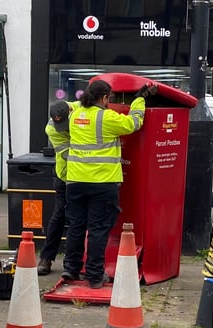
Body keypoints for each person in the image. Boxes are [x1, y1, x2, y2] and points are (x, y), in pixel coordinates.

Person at [61, 80, 156, 288]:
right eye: (110, 98)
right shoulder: (108, 117)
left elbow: (69, 111)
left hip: (75, 181)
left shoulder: (75, 115)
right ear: (104, 98)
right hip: (102, 182)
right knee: (97, 230)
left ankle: (71, 268)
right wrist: (139, 100)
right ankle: (95, 276)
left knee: (76, 226)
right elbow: (134, 123)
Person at [37, 101, 73, 275]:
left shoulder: (80, 111)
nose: (62, 129)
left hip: (84, 176)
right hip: (65, 175)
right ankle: (47, 258)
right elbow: (66, 154)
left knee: (77, 219)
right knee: (59, 215)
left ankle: (71, 263)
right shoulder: (51, 128)